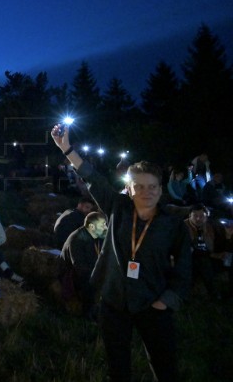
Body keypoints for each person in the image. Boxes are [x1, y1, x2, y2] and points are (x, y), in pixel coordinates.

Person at [51, 123, 191, 382]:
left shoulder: (172, 225)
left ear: (161, 189)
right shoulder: (118, 207)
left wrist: (167, 300)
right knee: (118, 367)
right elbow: (94, 177)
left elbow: (184, 268)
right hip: (115, 302)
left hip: (153, 302)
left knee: (164, 366)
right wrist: (67, 148)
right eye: (139, 186)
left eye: (152, 187)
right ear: (130, 188)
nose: (146, 192)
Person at [59, 211, 107, 315]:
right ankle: (89, 313)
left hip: (90, 272)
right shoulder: (77, 239)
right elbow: (79, 267)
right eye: (102, 225)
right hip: (72, 276)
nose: (105, 228)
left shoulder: (97, 237)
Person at [184, 204, 219, 298]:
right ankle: (211, 290)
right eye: (195, 216)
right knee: (202, 261)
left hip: (208, 255)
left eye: (202, 216)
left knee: (204, 260)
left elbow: (214, 245)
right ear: (189, 216)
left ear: (206, 216)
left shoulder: (210, 227)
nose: (198, 219)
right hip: (189, 257)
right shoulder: (183, 227)